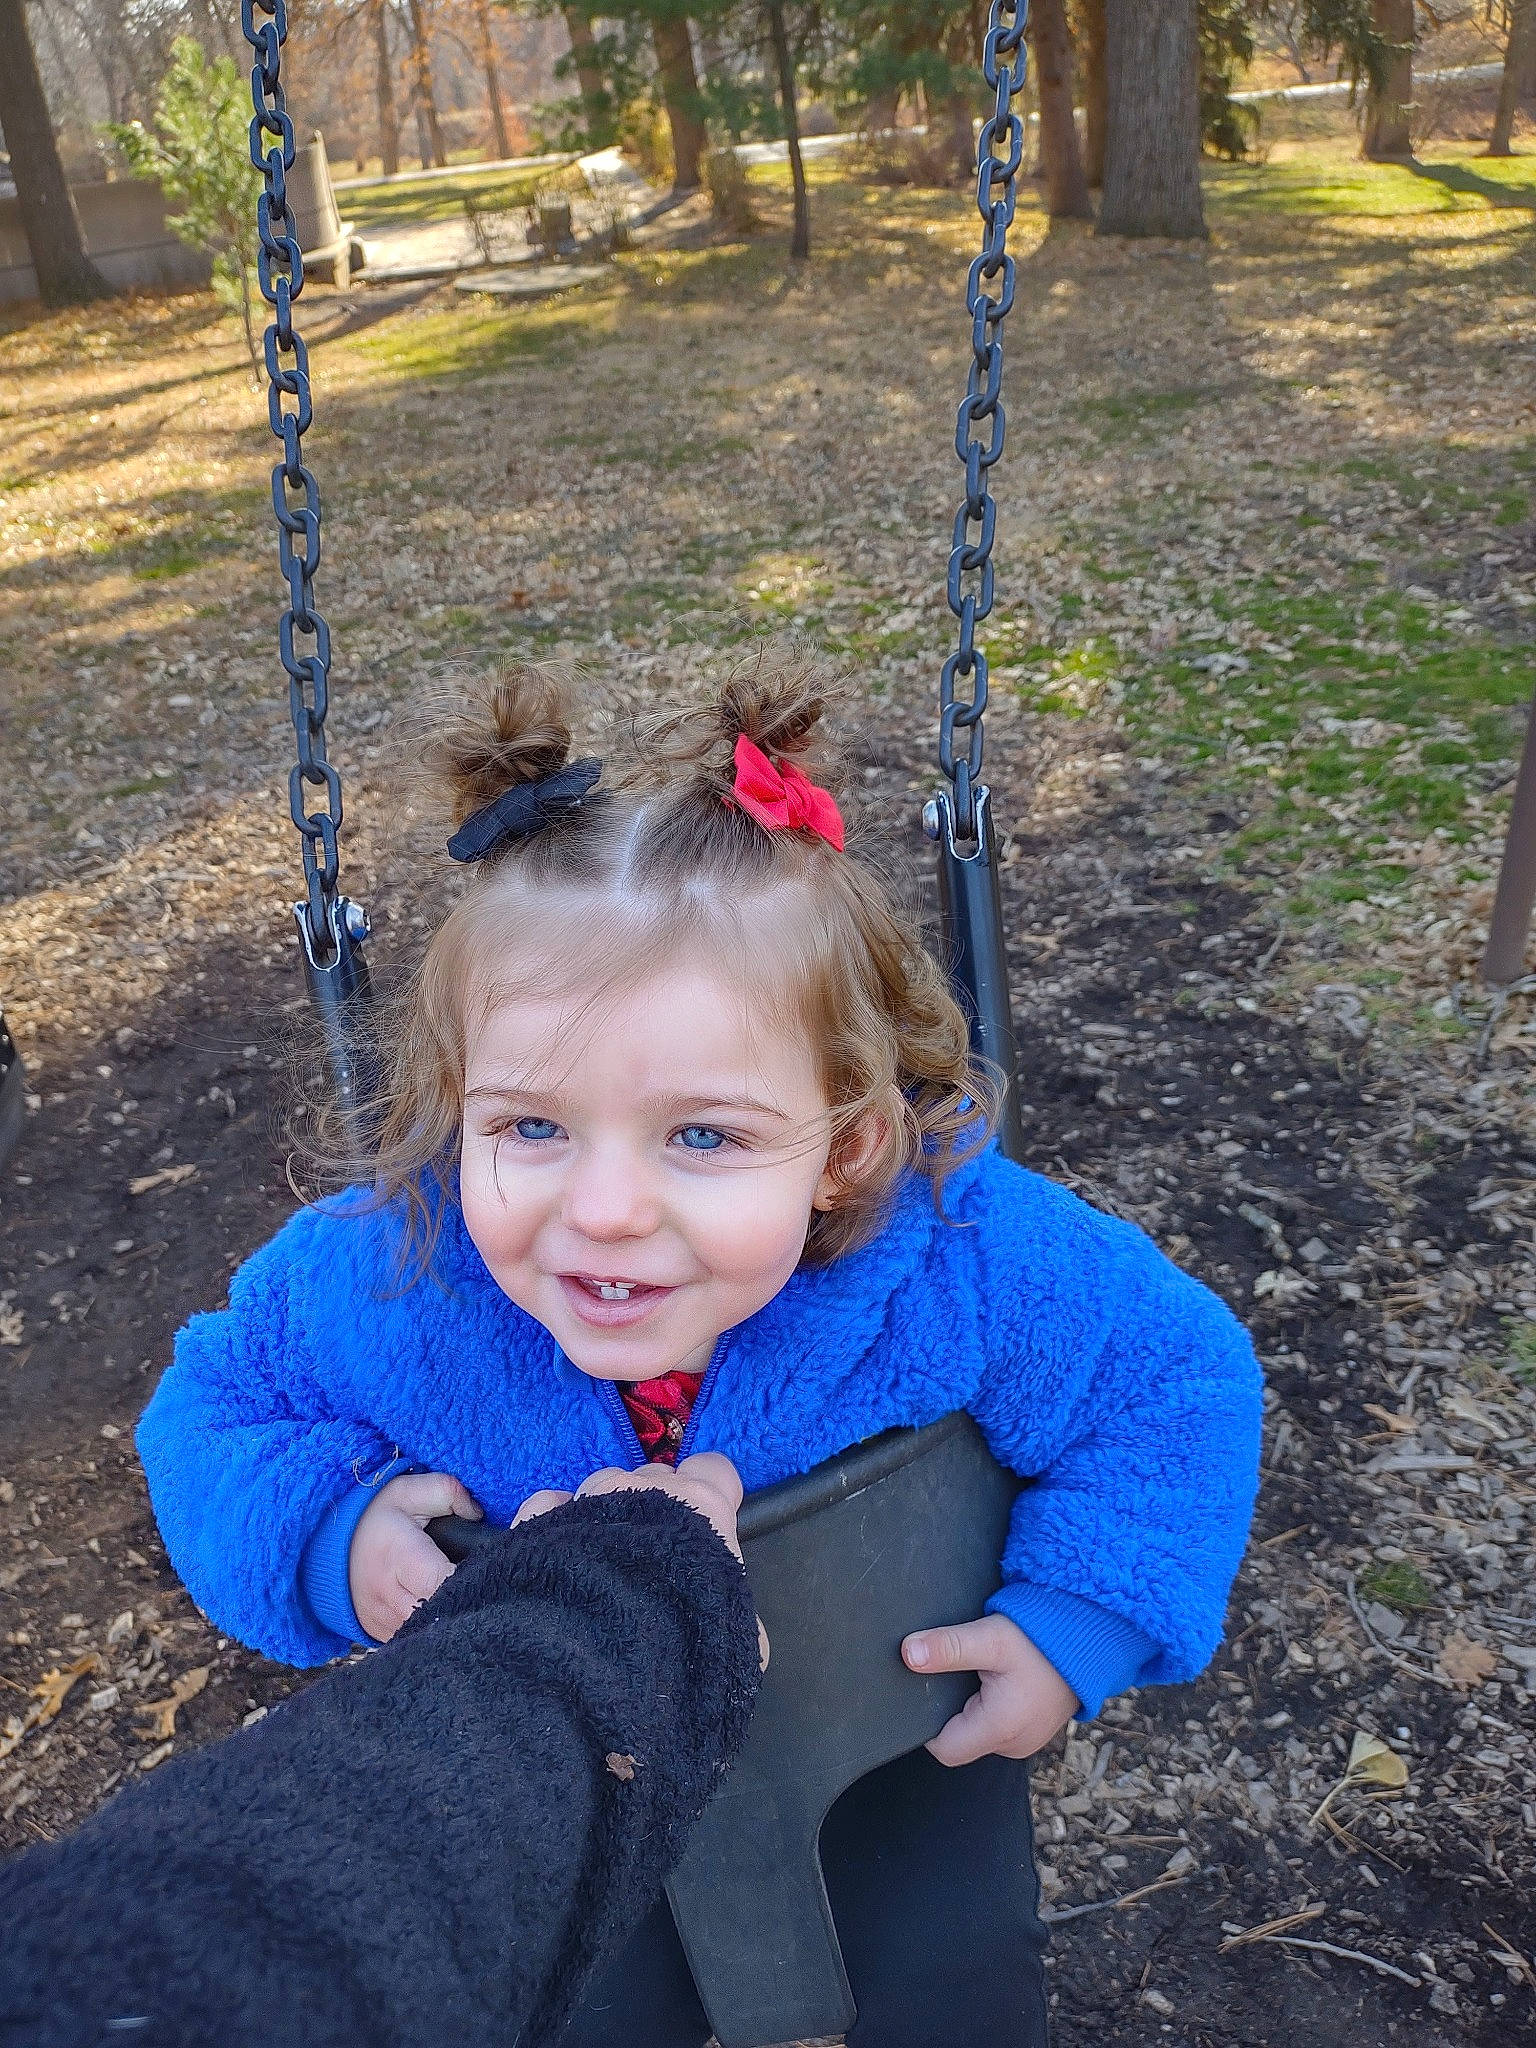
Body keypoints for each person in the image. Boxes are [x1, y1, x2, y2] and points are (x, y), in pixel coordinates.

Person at [137, 650, 1261, 1817]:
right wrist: (329, 1532)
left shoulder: (954, 1242)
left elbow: (1170, 1372)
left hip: (874, 1761)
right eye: (531, 1124)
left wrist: (1078, 1620)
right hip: (540, 1790)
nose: (607, 1208)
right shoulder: (388, 1267)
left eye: (703, 1138)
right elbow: (208, 1410)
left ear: (846, 1151)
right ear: (454, 1104)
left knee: (957, 1994)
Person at [0, 1457, 763, 2048]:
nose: (609, 1239)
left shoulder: (880, 1298)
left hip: (848, 1834)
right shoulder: (386, 1285)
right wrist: (331, 1534)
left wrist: (885, 1552)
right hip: (564, 1928)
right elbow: (209, 1424)